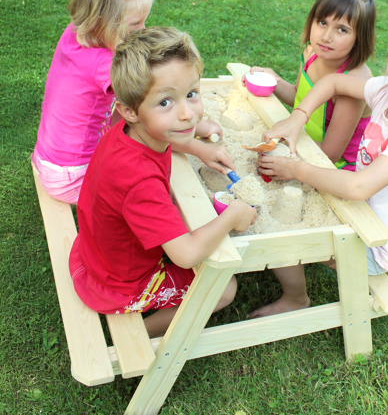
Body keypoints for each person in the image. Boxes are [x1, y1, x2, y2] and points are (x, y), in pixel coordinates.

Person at [254, 24, 388, 317]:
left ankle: (295, 299)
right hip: (351, 211)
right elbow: (333, 84)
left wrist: (297, 169)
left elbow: (358, 187)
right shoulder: (384, 92)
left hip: (374, 244)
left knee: (279, 226)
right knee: (280, 199)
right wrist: (298, 117)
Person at [69, 27, 257, 337]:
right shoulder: (139, 179)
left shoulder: (126, 130)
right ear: (130, 110)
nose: (187, 114)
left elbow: (162, 136)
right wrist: (234, 216)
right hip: (120, 283)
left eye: (191, 94)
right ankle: (141, 334)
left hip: (98, 253)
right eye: (165, 103)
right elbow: (184, 254)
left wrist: (198, 147)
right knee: (223, 288)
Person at [32, 0, 223, 204]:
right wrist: (198, 147)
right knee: (144, 126)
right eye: (135, 24)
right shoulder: (105, 65)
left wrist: (197, 126)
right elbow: (150, 117)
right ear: (102, 21)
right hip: (74, 176)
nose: (143, 30)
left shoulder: (78, 31)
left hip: (52, 158)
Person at [245, 0, 376, 170]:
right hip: (301, 143)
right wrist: (274, 80)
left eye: (342, 30)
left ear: (360, 38)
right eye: (322, 22)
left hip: (335, 168)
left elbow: (330, 155)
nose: (326, 36)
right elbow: (299, 97)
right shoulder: (311, 53)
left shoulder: (355, 81)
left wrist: (281, 147)